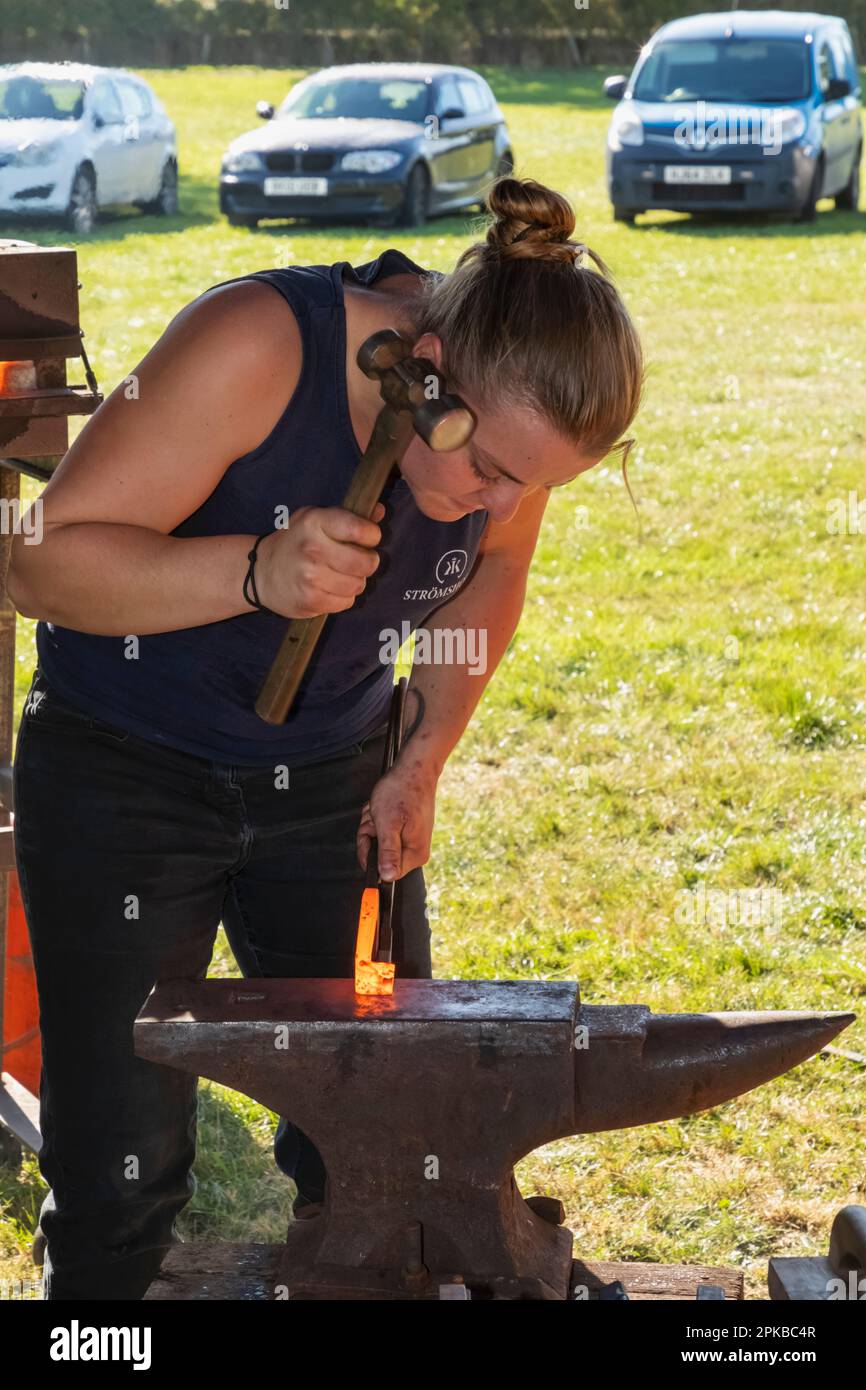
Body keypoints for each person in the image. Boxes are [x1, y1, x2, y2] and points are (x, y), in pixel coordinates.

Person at [6, 176, 643, 1300]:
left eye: (530, 485)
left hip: (332, 772)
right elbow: (40, 560)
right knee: (122, 1150)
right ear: (427, 361)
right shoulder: (257, 344)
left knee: (388, 1109)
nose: (498, 503)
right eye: (488, 469)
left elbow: (490, 576)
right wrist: (254, 569)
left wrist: (419, 755)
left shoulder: (505, 427)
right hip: (125, 765)